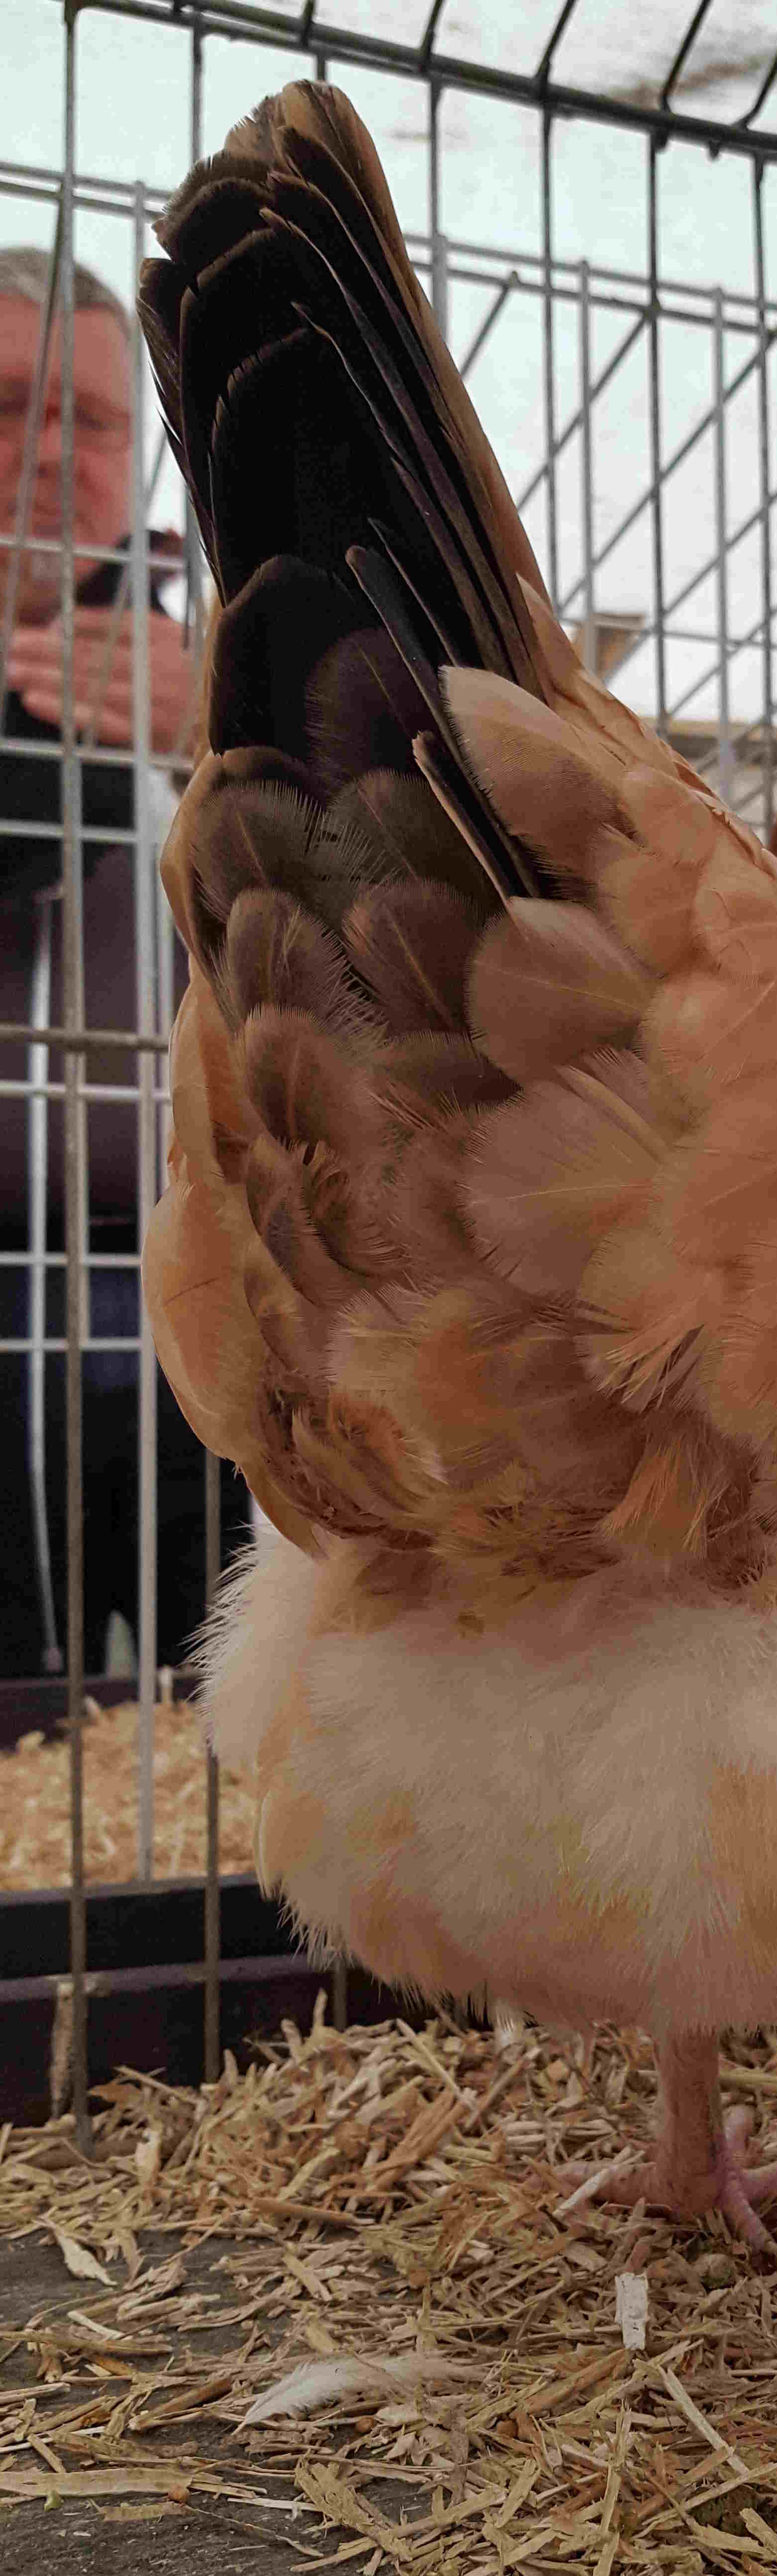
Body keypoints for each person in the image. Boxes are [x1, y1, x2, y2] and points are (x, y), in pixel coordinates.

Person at [0, 246, 249, 1681]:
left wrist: (224, 734)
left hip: (199, 1298)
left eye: (89, 422)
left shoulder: (228, 658)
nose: (49, 454)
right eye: (7, 407)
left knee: (216, 1728)